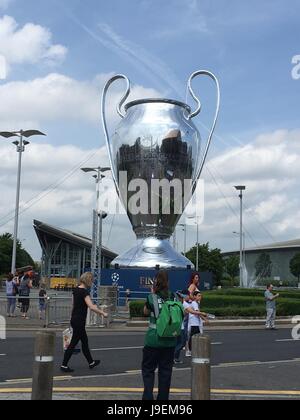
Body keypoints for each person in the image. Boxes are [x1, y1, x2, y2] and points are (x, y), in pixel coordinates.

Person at [60, 272, 108, 373]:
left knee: (84, 342)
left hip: (75, 319)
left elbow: (72, 305)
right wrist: (102, 313)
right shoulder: (84, 292)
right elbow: (91, 306)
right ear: (87, 280)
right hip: (80, 321)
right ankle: (64, 365)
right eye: (91, 280)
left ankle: (91, 362)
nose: (92, 282)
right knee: (73, 344)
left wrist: (71, 318)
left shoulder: (75, 290)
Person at [142, 271, 177, 401]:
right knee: (165, 373)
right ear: (167, 282)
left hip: (153, 341)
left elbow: (145, 312)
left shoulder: (152, 297)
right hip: (170, 341)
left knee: (148, 370)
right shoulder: (173, 297)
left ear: (156, 282)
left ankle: (148, 397)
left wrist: (152, 293)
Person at [174, 290, 191, 364]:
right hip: (180, 327)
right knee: (182, 343)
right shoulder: (182, 304)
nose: (189, 296)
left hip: (180, 326)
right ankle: (174, 356)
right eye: (188, 295)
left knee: (178, 343)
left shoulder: (181, 304)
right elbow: (190, 311)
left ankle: (175, 357)